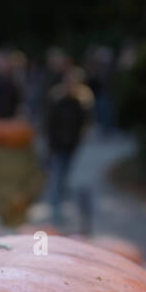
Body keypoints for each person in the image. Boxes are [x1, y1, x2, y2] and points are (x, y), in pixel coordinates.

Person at [43, 67, 93, 225]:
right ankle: (56, 209)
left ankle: (66, 207)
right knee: (57, 176)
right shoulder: (57, 100)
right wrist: (50, 143)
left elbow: (83, 124)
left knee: (66, 176)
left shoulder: (80, 103)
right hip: (58, 145)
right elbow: (49, 123)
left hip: (71, 145)